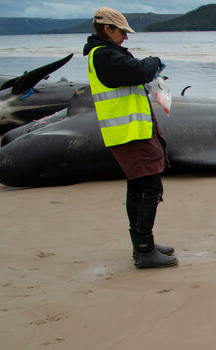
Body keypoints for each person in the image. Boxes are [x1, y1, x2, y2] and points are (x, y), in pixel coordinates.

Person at [84, 7, 176, 269]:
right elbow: (138, 71)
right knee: (150, 188)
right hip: (129, 134)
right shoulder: (103, 56)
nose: (125, 37)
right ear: (107, 29)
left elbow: (135, 73)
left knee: (138, 186)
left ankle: (143, 243)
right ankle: (144, 249)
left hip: (131, 131)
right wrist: (154, 61)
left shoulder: (106, 54)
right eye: (121, 31)